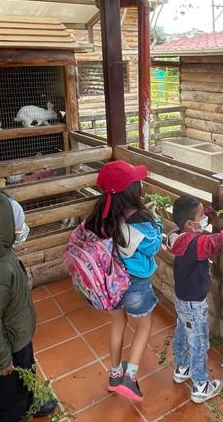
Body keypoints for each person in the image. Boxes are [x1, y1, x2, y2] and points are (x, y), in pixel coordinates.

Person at [0, 193, 56, 422]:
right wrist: (0, 359)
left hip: (17, 333)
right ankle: (13, 416)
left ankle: (28, 403)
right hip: (8, 344)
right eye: (15, 223)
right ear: (0, 227)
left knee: (24, 373)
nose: (21, 228)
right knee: (10, 387)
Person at [166, 195, 223, 403]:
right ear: (190, 223)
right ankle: (201, 386)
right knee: (199, 342)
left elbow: (194, 231)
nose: (204, 218)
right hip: (195, 304)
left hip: (181, 299)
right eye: (200, 215)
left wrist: (206, 216)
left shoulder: (175, 236)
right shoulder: (197, 244)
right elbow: (221, 241)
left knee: (181, 333)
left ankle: (182, 368)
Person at [87, 160, 163, 403]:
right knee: (144, 324)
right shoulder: (139, 218)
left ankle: (115, 373)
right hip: (134, 285)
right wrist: (156, 221)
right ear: (132, 190)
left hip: (110, 283)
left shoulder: (100, 214)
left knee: (118, 324)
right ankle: (130, 377)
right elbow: (153, 247)